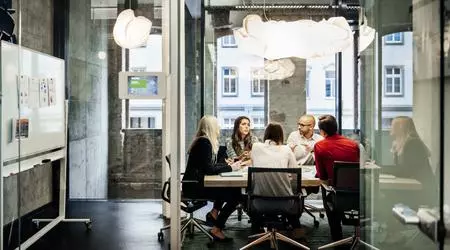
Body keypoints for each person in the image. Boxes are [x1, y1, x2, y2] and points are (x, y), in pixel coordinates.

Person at [182, 116, 243, 241]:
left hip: (195, 184)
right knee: (236, 195)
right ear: (211, 127)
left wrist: (228, 165)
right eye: (217, 125)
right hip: (195, 187)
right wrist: (231, 168)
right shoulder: (204, 143)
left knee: (231, 191)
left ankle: (214, 214)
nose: (219, 128)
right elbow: (209, 169)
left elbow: (209, 165)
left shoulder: (202, 141)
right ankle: (217, 228)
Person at [313, 115, 359, 242]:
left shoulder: (320, 146)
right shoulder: (353, 145)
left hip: (335, 193)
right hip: (355, 192)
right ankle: (357, 233)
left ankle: (336, 235)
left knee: (325, 188)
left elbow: (322, 176)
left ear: (322, 131)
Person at [250, 123, 302, 232]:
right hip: (285, 203)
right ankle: (297, 232)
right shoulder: (286, 149)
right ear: (281, 136)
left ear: (266, 134)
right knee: (295, 193)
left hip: (259, 202)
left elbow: (256, 166)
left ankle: (255, 230)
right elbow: (295, 174)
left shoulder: (256, 147)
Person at [387, 116, 436, 208]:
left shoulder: (413, 144)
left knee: (387, 197)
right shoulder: (400, 144)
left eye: (393, 125)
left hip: (422, 191)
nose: (390, 128)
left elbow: (405, 171)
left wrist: (381, 169)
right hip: (414, 187)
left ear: (401, 128)